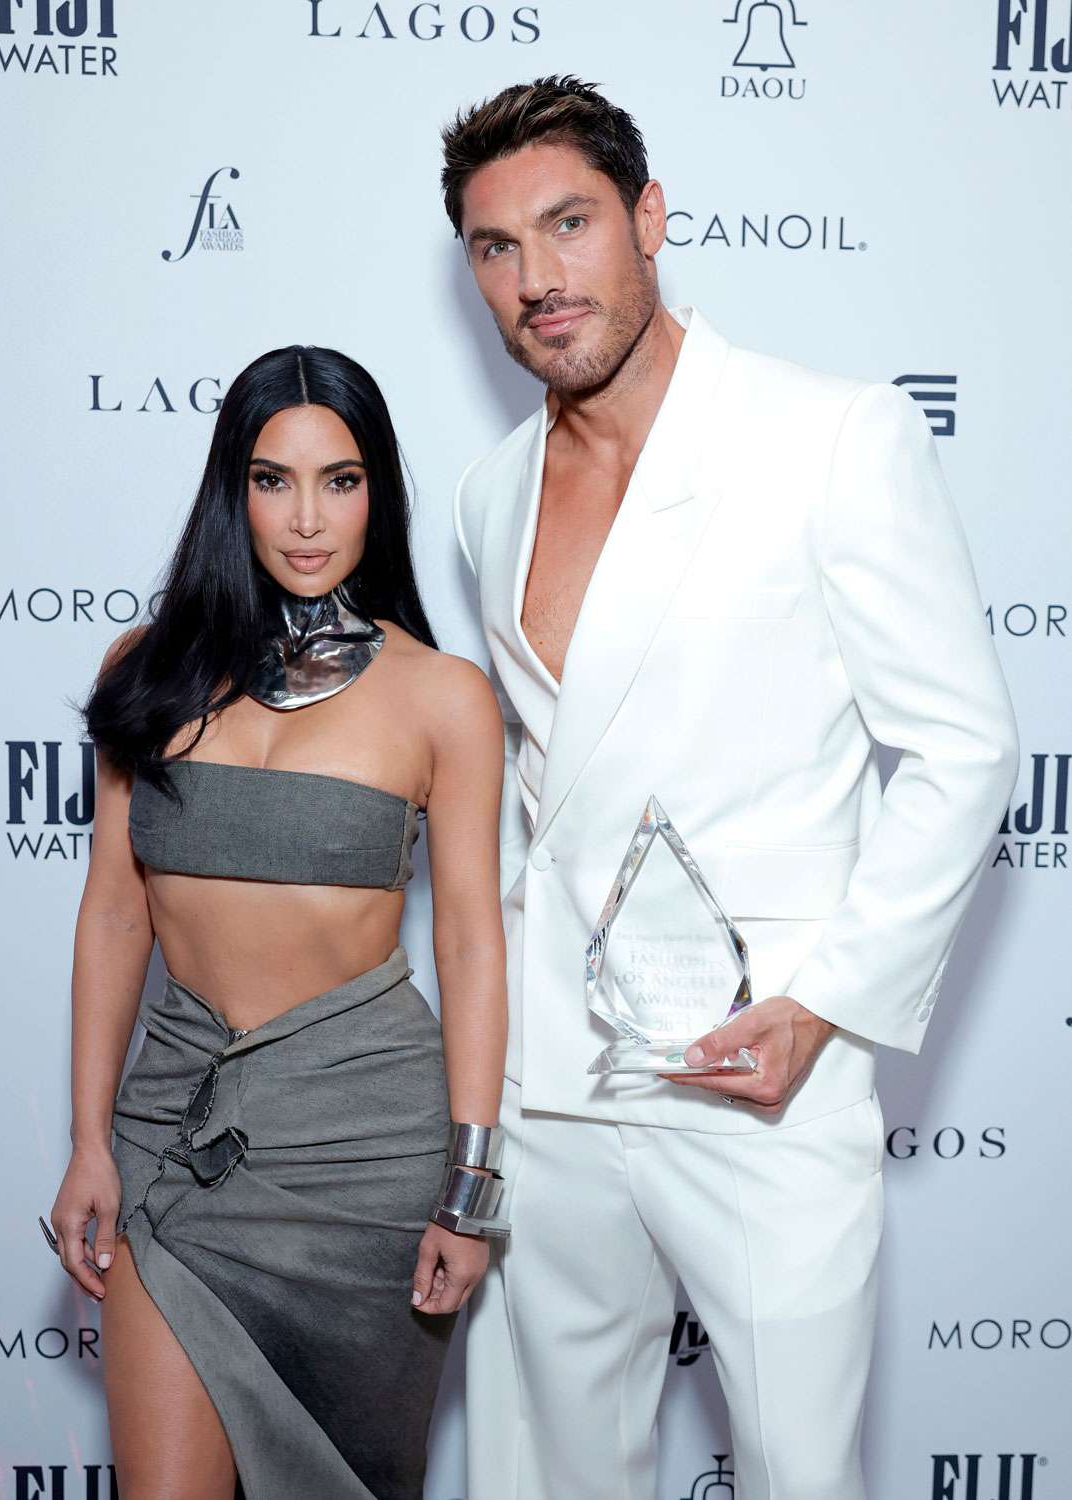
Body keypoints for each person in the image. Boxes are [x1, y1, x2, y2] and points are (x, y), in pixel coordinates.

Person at [441, 76, 1018, 1500]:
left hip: (756, 1080)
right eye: (495, 248)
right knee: (547, 1475)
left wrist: (825, 1005)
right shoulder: (488, 492)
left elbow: (960, 746)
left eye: (567, 224)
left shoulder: (824, 436)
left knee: (799, 1478)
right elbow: (541, 786)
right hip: (553, 1093)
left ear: (647, 218)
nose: (535, 279)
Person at [45, 346, 509, 1500]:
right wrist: (90, 1140)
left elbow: (467, 943)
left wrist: (468, 1185)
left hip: (366, 1155)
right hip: (176, 1144)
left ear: (378, 492)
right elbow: (113, 916)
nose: (306, 518)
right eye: (272, 479)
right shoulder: (145, 670)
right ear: (231, 490)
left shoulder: (442, 696)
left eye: (339, 481)